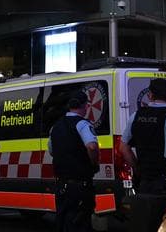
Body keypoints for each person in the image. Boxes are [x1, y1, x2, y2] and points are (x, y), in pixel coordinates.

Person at [48, 92, 98, 232]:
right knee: (80, 222)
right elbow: (92, 146)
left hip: (61, 185)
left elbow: (51, 150)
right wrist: (93, 162)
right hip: (80, 185)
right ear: (85, 106)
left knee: (63, 222)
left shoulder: (56, 126)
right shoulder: (82, 124)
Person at [122, 78, 166, 193]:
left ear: (150, 95)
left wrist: (137, 168)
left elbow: (123, 147)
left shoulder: (136, 116)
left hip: (145, 179)